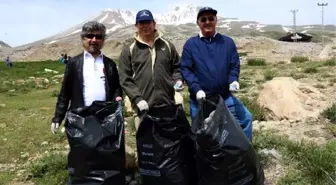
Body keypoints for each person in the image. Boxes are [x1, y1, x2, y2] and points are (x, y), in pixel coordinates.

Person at [180, 7, 253, 141]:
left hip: (224, 98)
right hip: (200, 101)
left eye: (211, 19)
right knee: (199, 133)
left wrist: (233, 80)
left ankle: (243, 155)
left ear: (216, 20)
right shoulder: (191, 44)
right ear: (198, 23)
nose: (207, 22)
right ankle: (201, 161)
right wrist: (196, 89)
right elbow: (185, 69)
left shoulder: (227, 42)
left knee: (246, 119)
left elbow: (234, 65)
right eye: (203, 19)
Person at [50, 21, 123, 132]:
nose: (94, 40)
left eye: (98, 37)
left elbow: (116, 87)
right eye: (90, 36)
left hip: (104, 119)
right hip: (80, 118)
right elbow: (65, 92)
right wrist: (58, 117)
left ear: (103, 40)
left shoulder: (110, 64)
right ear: (83, 38)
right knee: (81, 149)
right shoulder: (74, 63)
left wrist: (117, 97)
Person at [118, 9, 184, 130]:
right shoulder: (129, 50)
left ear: (154, 24)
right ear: (136, 26)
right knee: (146, 146)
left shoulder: (167, 46)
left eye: (148, 22)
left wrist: (178, 80)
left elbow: (176, 68)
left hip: (167, 105)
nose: (145, 26)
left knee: (169, 144)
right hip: (143, 107)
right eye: (141, 23)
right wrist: (137, 99)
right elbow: (125, 79)